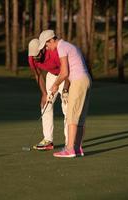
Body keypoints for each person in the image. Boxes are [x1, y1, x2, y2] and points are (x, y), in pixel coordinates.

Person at [38, 30, 92, 158]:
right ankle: (77, 148)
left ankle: (69, 149)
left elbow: (64, 72)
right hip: (86, 80)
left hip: (78, 82)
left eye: (46, 45)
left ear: (52, 40)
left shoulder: (61, 47)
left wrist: (56, 84)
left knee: (71, 116)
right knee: (80, 118)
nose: (47, 48)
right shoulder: (69, 45)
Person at [28, 38, 70, 150]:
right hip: (51, 76)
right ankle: (48, 140)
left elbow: (67, 70)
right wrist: (44, 93)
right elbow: (38, 75)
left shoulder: (54, 52)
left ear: (42, 49)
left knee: (67, 107)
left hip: (65, 76)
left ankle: (69, 143)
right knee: (46, 104)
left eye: (38, 55)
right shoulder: (32, 57)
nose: (36, 58)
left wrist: (65, 89)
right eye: (34, 57)